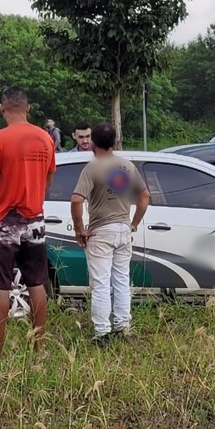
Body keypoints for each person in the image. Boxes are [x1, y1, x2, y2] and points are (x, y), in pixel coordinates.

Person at [0, 87, 57, 357]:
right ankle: (39, 349)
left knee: (0, 285)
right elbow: (47, 182)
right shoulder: (46, 138)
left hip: (5, 222)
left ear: (2, 109)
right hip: (35, 220)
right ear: (28, 108)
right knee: (37, 282)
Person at [71, 123, 151, 347]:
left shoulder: (92, 168)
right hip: (123, 229)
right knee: (121, 280)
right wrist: (133, 224)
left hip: (100, 231)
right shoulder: (128, 166)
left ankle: (102, 332)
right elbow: (145, 196)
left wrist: (79, 229)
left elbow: (77, 199)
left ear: (93, 144)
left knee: (101, 283)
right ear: (115, 143)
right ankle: (123, 326)